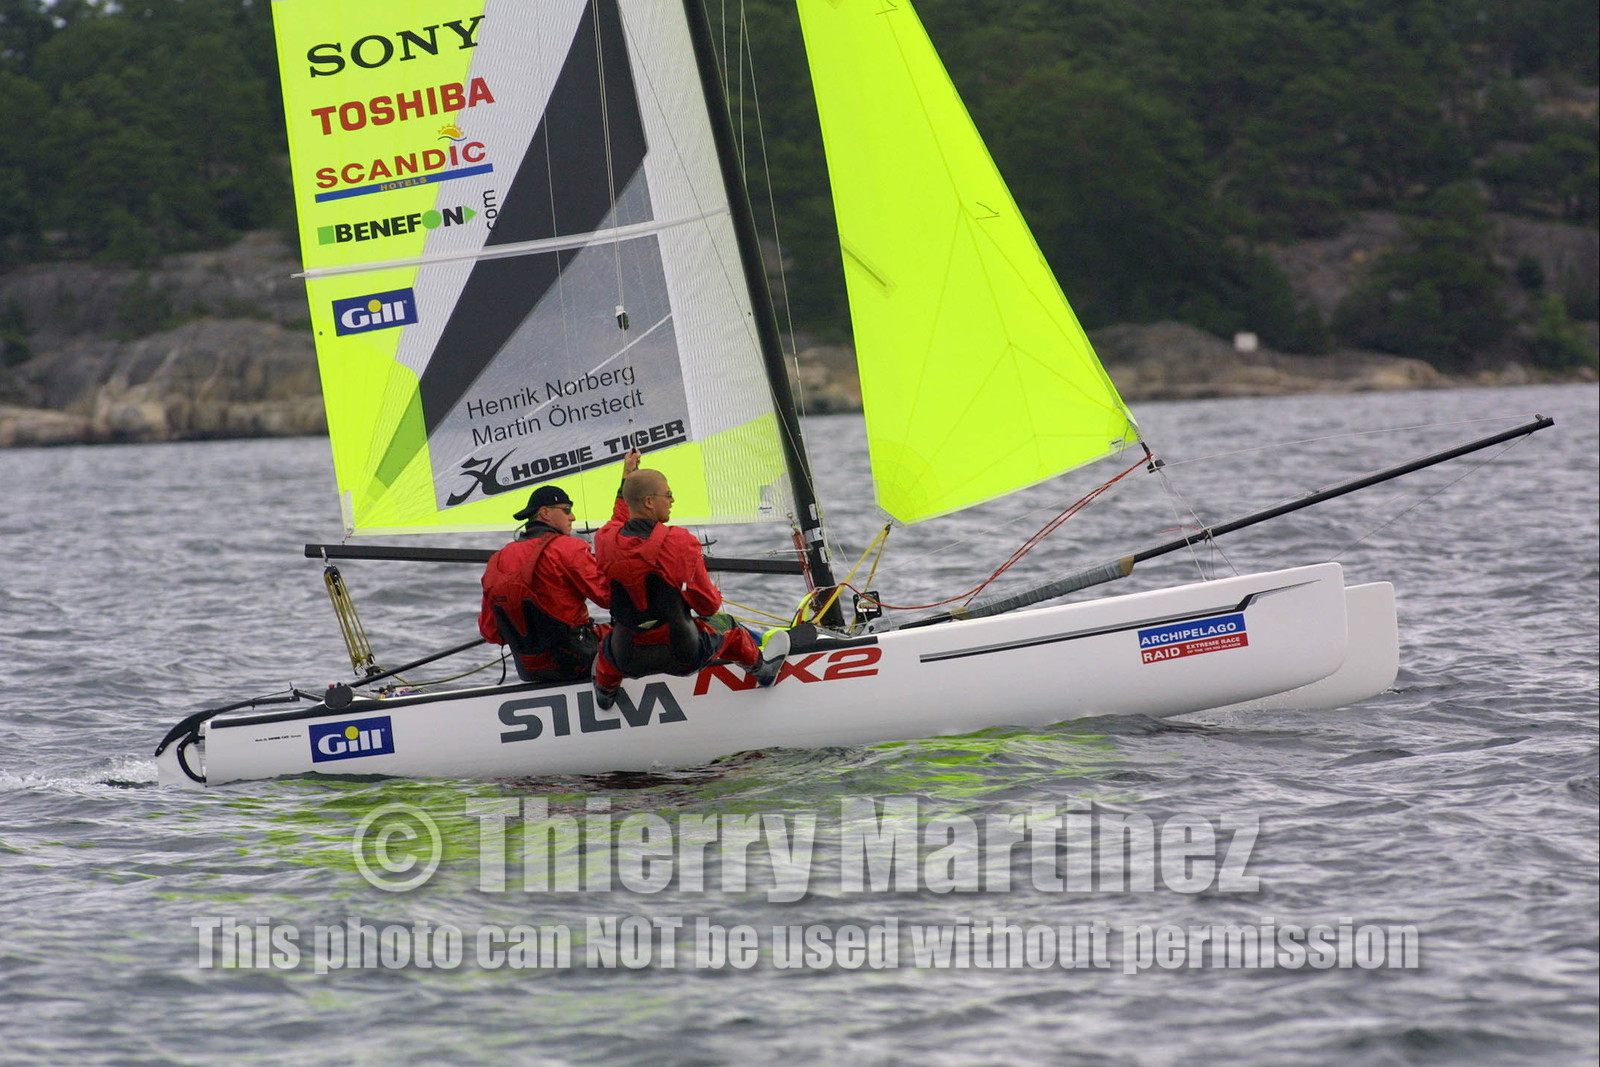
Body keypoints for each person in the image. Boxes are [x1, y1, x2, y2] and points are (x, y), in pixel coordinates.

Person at [591, 467, 788, 707]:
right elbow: (708, 605)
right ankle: (763, 671)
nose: (672, 499)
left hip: (626, 658)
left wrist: (627, 478)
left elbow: (616, 528)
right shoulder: (679, 541)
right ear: (650, 502)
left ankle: (605, 691)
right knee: (728, 627)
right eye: (668, 494)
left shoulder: (604, 540)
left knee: (608, 643)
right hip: (683, 655)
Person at [478, 451, 640, 682]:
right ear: (545, 513)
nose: (572, 516)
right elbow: (609, 598)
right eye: (566, 510)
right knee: (646, 637)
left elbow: (490, 632)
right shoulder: (568, 548)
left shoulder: (498, 559)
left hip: (530, 670)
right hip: (577, 662)